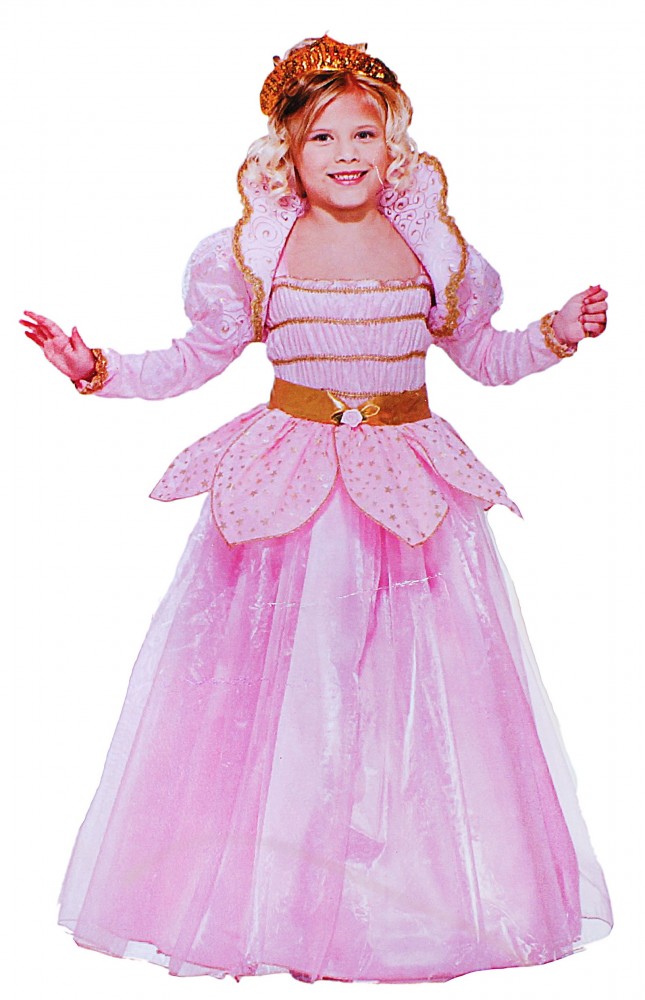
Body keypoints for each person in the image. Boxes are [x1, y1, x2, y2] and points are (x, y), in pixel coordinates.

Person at [21, 35, 612, 985]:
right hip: (293, 491)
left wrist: (556, 333)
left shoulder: (433, 248)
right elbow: (193, 359)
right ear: (287, 154)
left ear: (394, 144)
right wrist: (98, 370)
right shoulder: (257, 253)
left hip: (408, 490)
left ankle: (392, 899)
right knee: (298, 682)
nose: (345, 153)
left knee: (422, 688)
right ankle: (280, 899)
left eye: (363, 134)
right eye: (322, 137)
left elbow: (485, 355)